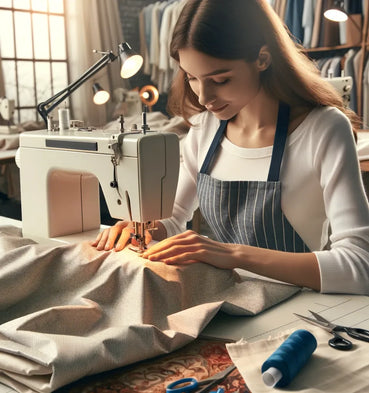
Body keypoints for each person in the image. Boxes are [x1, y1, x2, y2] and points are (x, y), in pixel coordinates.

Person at [92, 0, 369, 295]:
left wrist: (232, 254)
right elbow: (173, 216)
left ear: (262, 58)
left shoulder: (323, 129)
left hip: (298, 309)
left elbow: (359, 265)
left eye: (220, 80)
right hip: (227, 300)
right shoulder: (204, 130)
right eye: (192, 78)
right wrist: (144, 228)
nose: (204, 97)